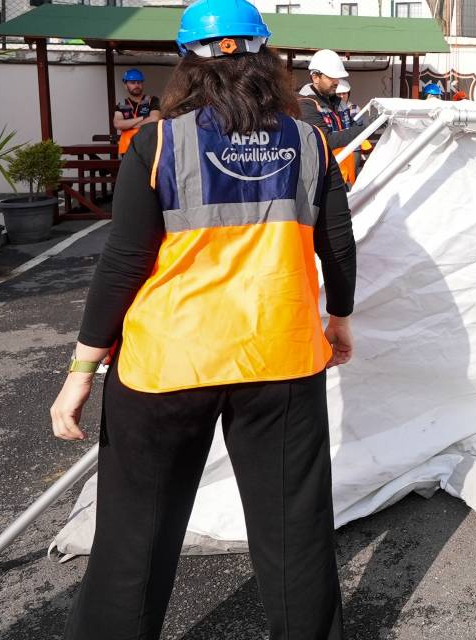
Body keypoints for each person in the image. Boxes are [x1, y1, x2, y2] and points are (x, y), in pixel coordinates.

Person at [48, 0, 356, 638]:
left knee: (137, 532)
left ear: (187, 62)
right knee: (293, 527)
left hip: (169, 363)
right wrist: (340, 319)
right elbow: (338, 244)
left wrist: (82, 367)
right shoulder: (310, 140)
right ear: (266, 59)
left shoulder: (158, 142)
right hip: (280, 358)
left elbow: (124, 261)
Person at [299, 48, 364, 185]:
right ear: (316, 77)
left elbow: (348, 127)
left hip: (342, 172)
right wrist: (364, 129)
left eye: (337, 77)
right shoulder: (305, 104)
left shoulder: (338, 102)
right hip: (318, 178)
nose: (336, 82)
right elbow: (326, 140)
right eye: (331, 77)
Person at [113, 68, 161, 155]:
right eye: (132, 82)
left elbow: (155, 118)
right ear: (125, 85)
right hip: (127, 149)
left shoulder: (152, 100)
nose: (136, 85)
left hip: (148, 147)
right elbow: (118, 124)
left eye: (139, 82)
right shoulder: (121, 105)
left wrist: (128, 125)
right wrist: (144, 118)